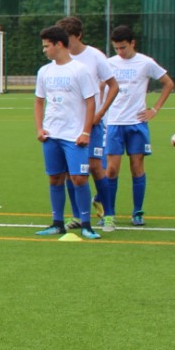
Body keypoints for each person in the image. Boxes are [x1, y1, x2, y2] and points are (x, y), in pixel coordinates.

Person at [103, 26, 175, 229]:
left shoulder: (145, 63)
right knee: (111, 170)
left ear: (133, 43)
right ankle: (109, 213)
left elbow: (168, 83)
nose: (120, 52)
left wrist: (155, 109)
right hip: (114, 124)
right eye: (116, 48)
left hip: (137, 124)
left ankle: (137, 212)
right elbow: (100, 88)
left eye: (123, 47)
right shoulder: (109, 64)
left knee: (137, 167)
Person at [33, 25, 101, 240]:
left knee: (79, 179)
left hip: (74, 136)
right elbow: (39, 101)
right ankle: (57, 223)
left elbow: (91, 103)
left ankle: (87, 225)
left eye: (46, 46)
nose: (44, 50)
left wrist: (86, 132)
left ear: (58, 45)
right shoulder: (44, 71)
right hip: (51, 134)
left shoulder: (80, 70)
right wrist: (39, 128)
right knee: (55, 179)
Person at [60, 16, 120, 227]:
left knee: (95, 167)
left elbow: (114, 86)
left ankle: (109, 214)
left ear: (79, 36)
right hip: (68, 125)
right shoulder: (60, 58)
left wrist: (101, 113)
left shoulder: (95, 57)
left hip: (92, 123)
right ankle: (77, 215)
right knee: (70, 170)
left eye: (69, 39)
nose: (65, 44)